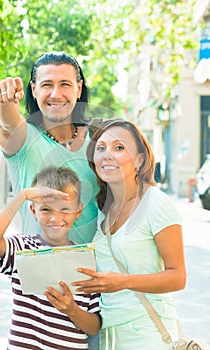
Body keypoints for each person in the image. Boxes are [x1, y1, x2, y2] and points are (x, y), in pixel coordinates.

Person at [72, 118, 187, 349]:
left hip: (148, 332)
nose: (107, 155)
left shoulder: (155, 202)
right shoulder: (105, 208)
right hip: (109, 333)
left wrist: (123, 282)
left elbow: (178, 277)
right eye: (101, 148)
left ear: (139, 159)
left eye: (119, 148)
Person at [0, 166, 101, 350]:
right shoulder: (22, 249)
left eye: (64, 209)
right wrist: (22, 195)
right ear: (33, 211)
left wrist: (71, 310)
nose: (55, 218)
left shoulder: (87, 261)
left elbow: (94, 327)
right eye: (46, 209)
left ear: (78, 212)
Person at [0, 51, 99, 244]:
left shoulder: (99, 140)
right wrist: (4, 100)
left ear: (78, 88)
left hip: (93, 269)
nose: (56, 94)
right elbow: (7, 124)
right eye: (47, 85)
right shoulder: (24, 139)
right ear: (34, 90)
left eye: (65, 84)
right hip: (38, 268)